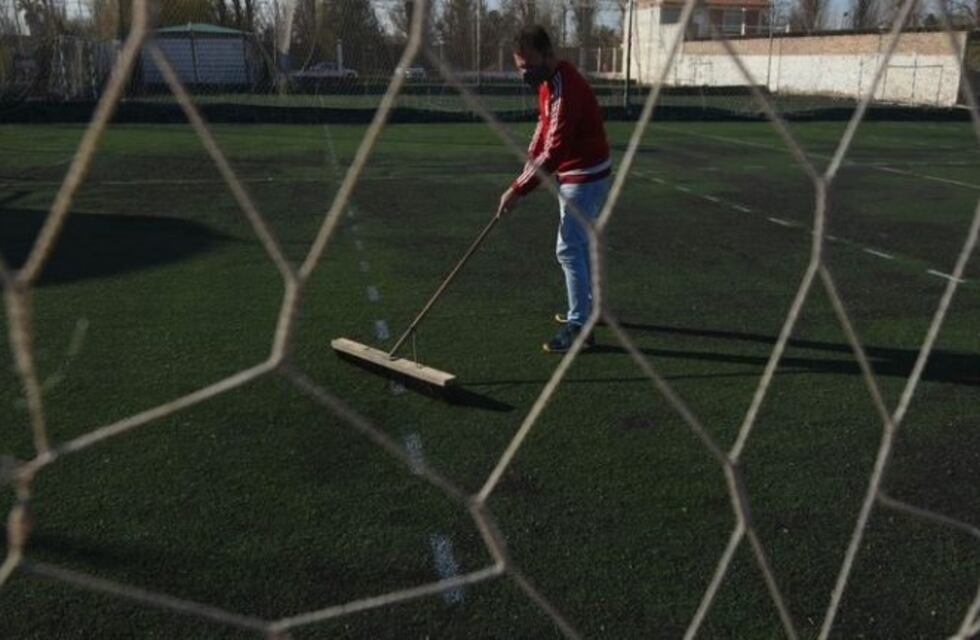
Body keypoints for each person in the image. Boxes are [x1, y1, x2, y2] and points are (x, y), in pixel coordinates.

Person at [497, 25, 612, 353]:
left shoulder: (566, 85)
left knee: (568, 247)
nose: (525, 71)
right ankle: (591, 310)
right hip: (578, 172)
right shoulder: (548, 84)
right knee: (580, 243)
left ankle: (580, 328)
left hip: (585, 174)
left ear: (549, 55)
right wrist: (524, 170)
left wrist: (518, 189)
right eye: (520, 66)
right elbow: (542, 130)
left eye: (530, 63)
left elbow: (555, 148)